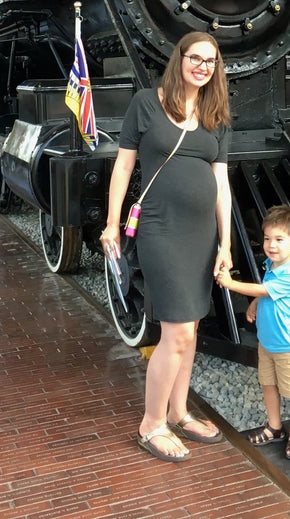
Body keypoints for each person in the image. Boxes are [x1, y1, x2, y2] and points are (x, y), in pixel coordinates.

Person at [100, 32, 233, 463]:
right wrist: (111, 223)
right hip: (159, 229)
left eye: (210, 61)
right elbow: (123, 165)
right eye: (195, 57)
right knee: (175, 332)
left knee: (190, 331)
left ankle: (178, 412)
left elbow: (221, 184)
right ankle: (150, 423)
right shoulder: (147, 103)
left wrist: (226, 243)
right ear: (179, 59)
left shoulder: (217, 114)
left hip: (200, 236)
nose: (202, 66)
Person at [216, 205, 290, 461]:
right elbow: (267, 290)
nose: (271, 244)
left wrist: (231, 284)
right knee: (268, 384)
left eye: (279, 239)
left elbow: (266, 290)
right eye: (267, 238)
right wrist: (256, 303)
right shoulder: (272, 265)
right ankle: (275, 427)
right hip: (268, 343)